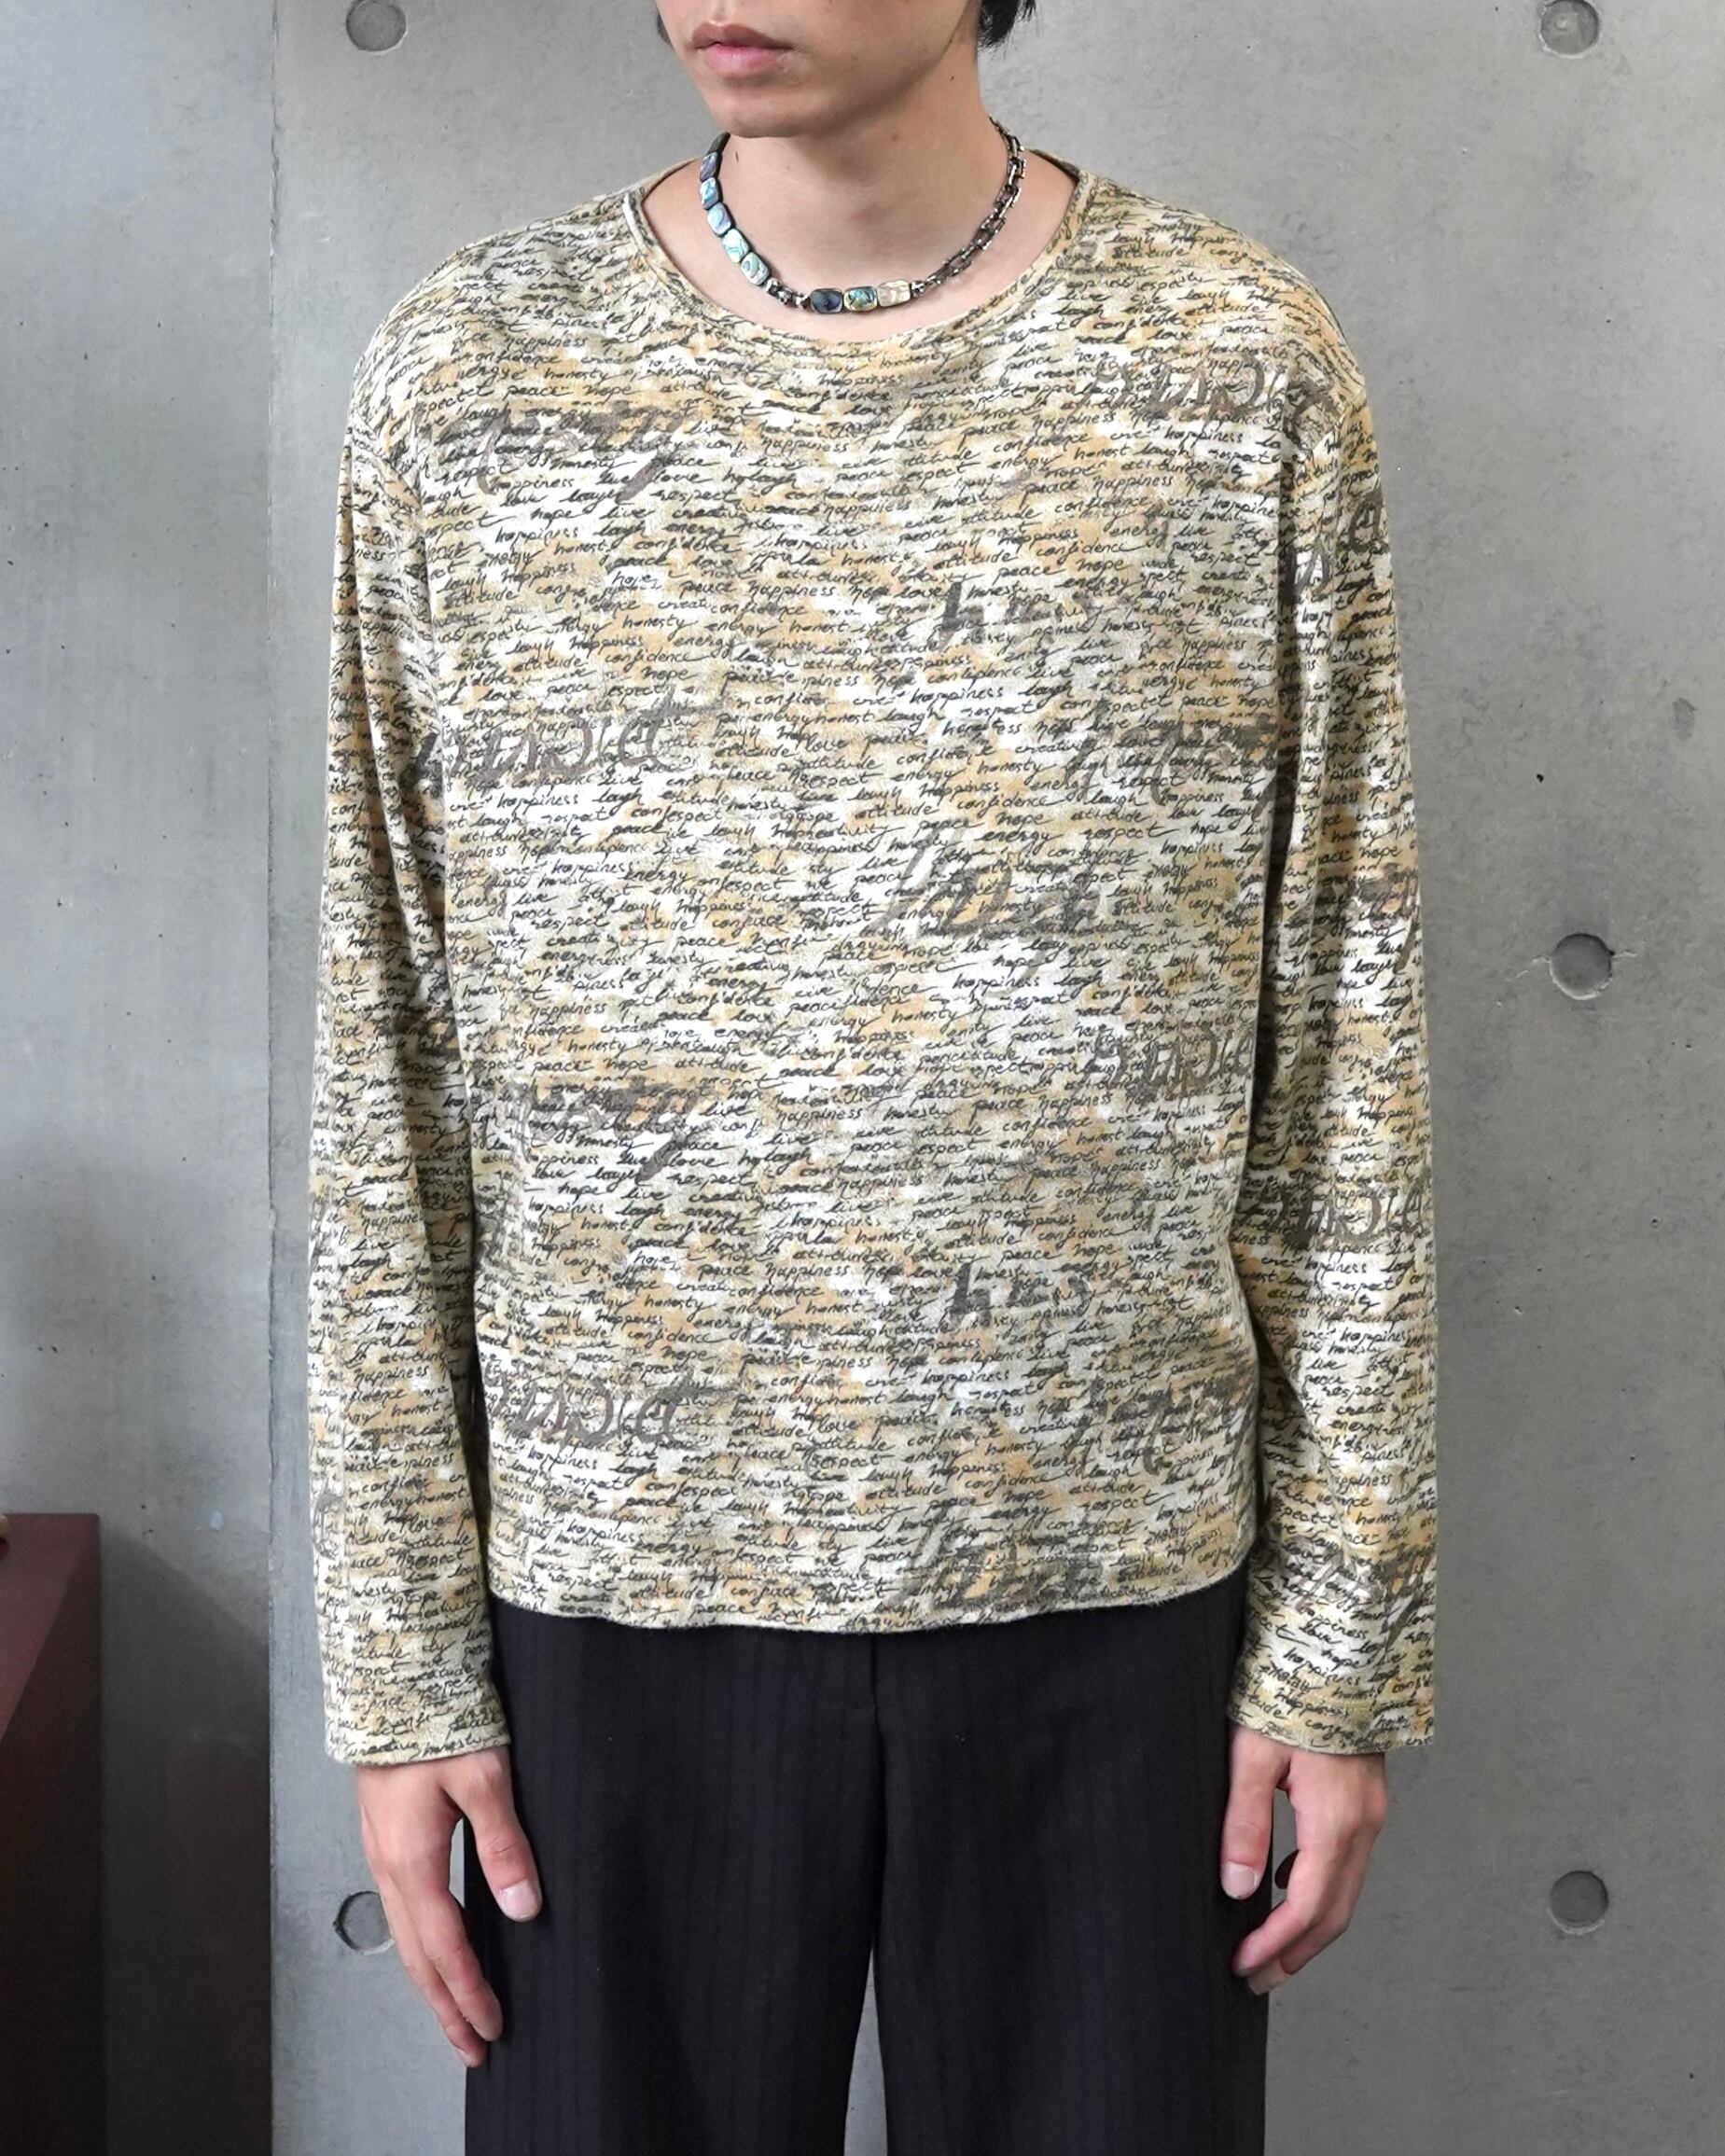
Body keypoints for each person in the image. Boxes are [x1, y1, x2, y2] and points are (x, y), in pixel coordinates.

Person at [304, 3, 1440, 2149]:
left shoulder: (1232, 364)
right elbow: (393, 1054)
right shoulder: (471, 376)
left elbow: (1341, 1042)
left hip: (1111, 1588)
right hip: (608, 1592)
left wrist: (1337, 1644)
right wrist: (400, 1660)